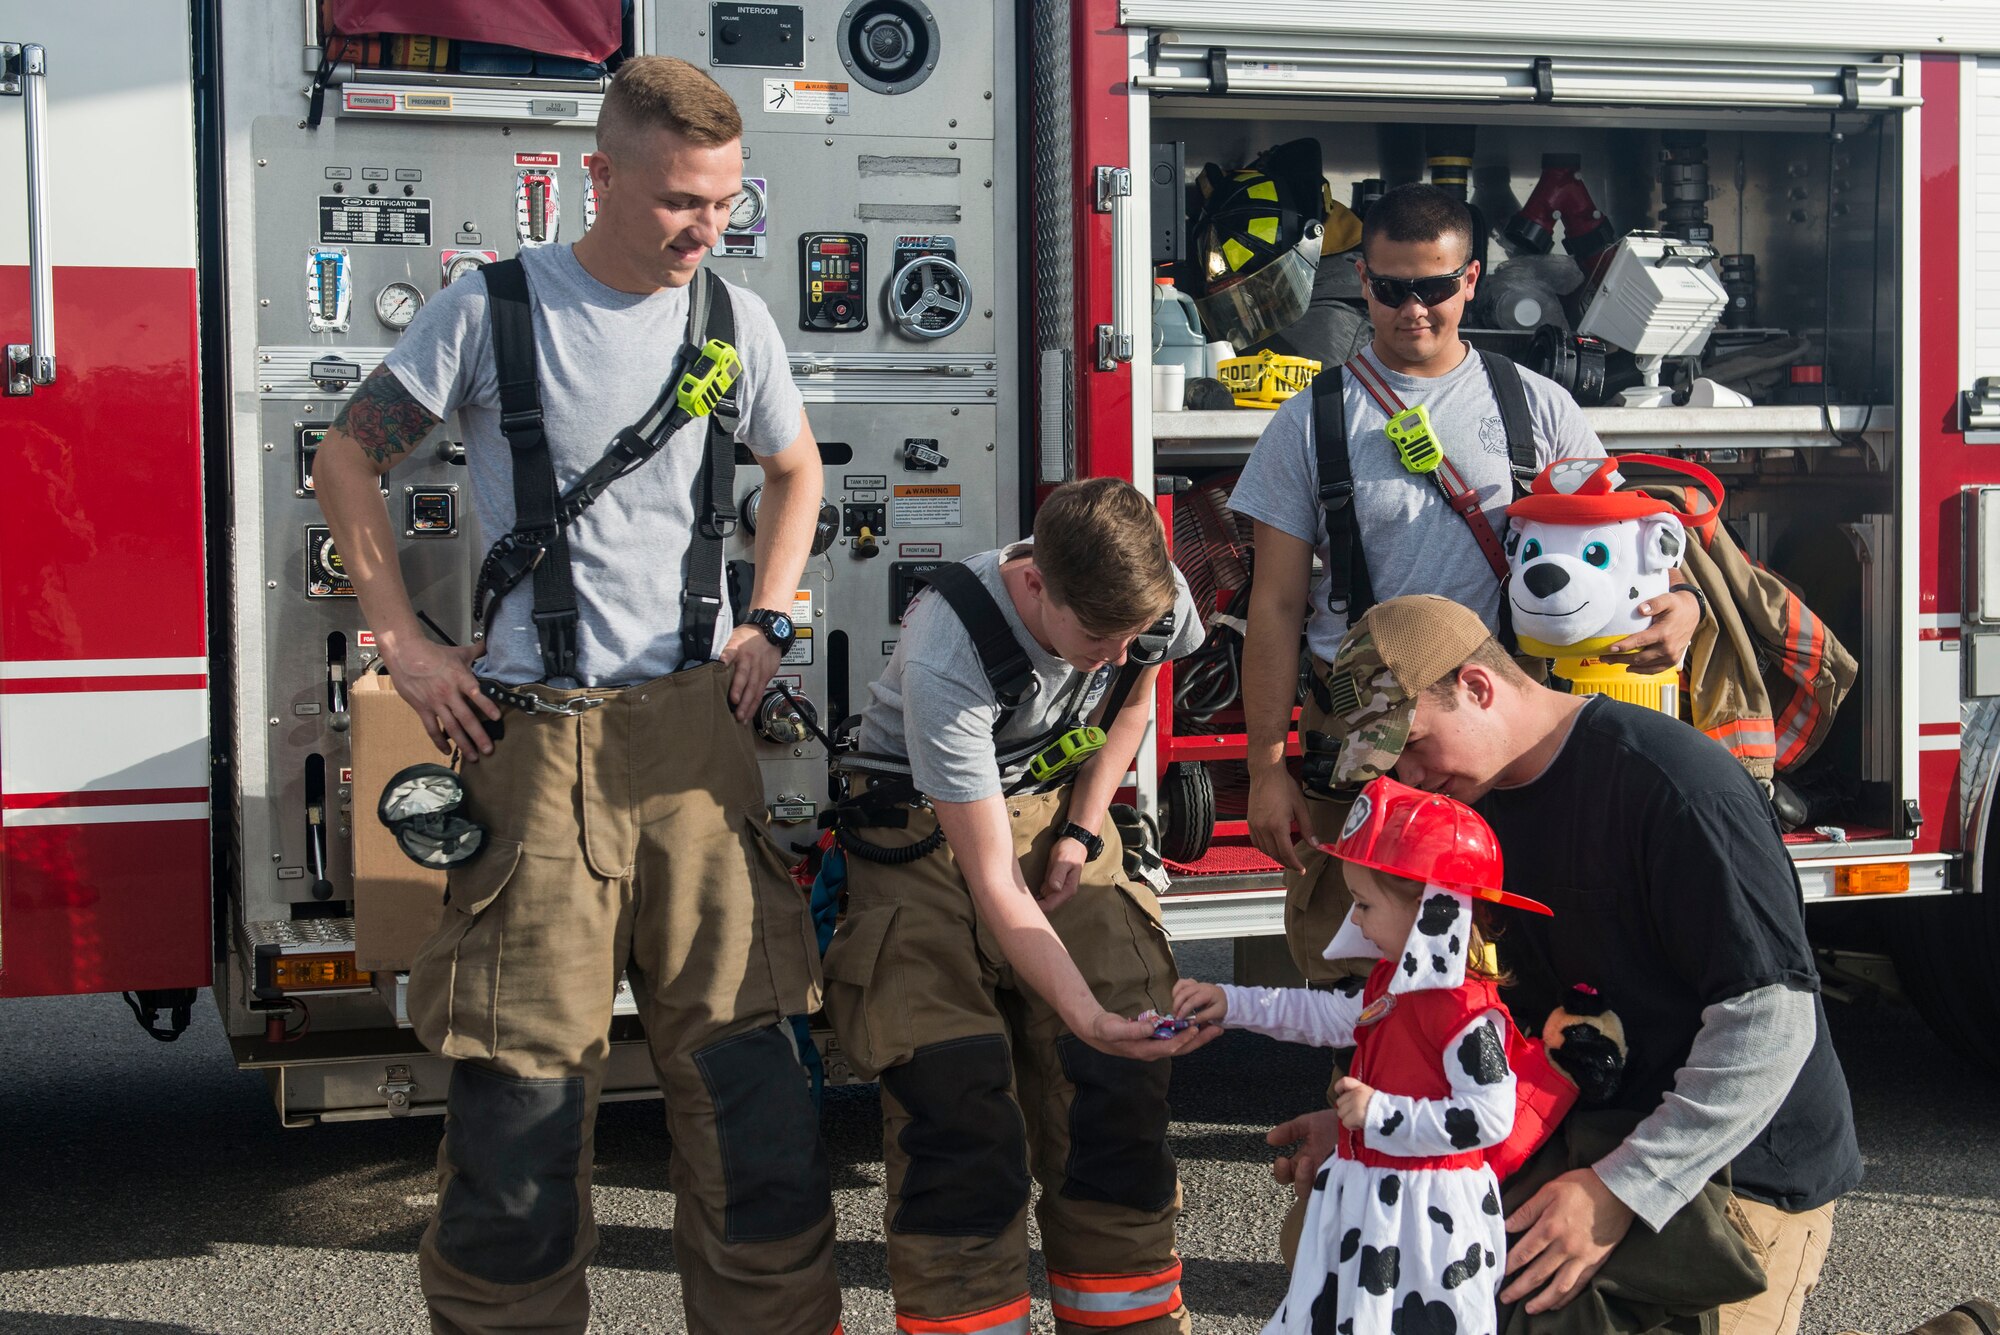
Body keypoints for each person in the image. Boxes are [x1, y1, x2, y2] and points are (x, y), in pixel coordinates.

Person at [313, 57, 840, 1335]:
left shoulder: (733, 319)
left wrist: (769, 613)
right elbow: (346, 453)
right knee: (520, 1120)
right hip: (532, 750)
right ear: (596, 178)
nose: (702, 229)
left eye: (720, 203)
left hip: (693, 745)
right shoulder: (491, 309)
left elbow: (795, 467)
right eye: (675, 201)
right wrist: (408, 645)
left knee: (756, 1104)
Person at [1289, 593, 1862, 1334]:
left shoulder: (1675, 785)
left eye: (1415, 742)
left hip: (1739, 1163)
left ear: (1477, 686)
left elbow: (1770, 1025)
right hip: (1585, 1127)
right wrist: (1377, 1130)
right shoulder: (1468, 803)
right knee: (1333, 1234)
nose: (1410, 775)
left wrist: (1618, 1191)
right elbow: (1452, 1014)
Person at [1224, 182, 1702, 984]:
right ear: (1362, 283)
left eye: (1436, 287)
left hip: (1509, 745)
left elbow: (1625, 549)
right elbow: (1273, 608)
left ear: (1472, 279)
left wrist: (1681, 602)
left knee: (1524, 971)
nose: (1415, 310)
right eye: (1392, 288)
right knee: (1365, 988)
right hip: (1366, 744)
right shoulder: (1309, 422)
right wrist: (1266, 767)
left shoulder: (1539, 408)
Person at [823, 477, 1215, 1335]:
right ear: (1036, 583)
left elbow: (1135, 697)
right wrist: (1081, 1013)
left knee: (1121, 1076)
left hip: (1053, 806)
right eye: (1096, 637)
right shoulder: (947, 648)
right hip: (925, 829)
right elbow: (995, 883)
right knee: (956, 1107)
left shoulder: (1147, 602)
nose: (1115, 654)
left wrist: (1081, 830)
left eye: (1130, 634)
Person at [1175, 776, 1558, 1335]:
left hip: (1427, 1231)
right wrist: (1230, 1002)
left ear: (1432, 913)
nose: (1353, 921)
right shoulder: (1392, 985)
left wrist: (1381, 1115)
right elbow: (1327, 1016)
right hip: (1375, 1206)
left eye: (1363, 904)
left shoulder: (1467, 1017)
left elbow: (1490, 1118)